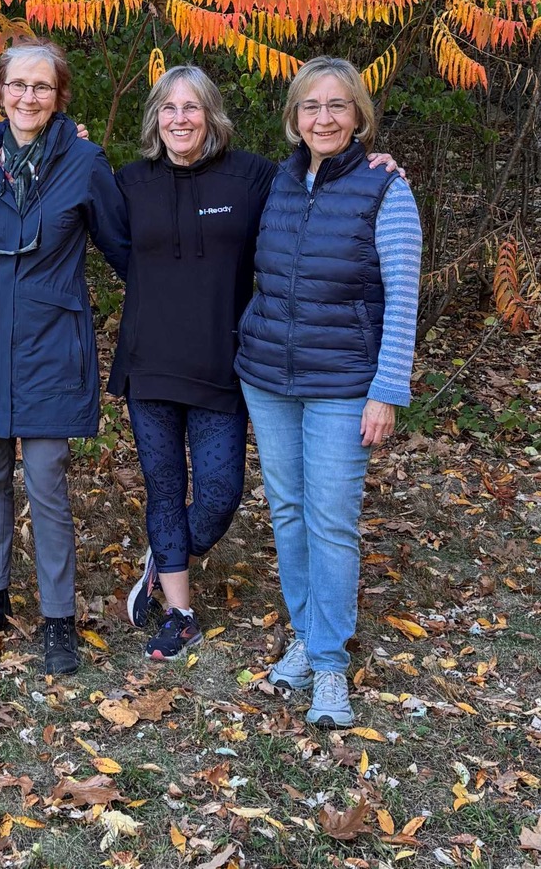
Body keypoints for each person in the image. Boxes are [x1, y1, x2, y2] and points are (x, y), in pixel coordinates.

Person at [235, 56, 421, 729]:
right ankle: (306, 640)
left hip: (345, 382)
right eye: (311, 106)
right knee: (287, 509)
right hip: (269, 377)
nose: (324, 117)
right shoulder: (280, 181)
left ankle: (330, 665)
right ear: (294, 115)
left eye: (337, 105)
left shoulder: (384, 189)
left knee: (331, 518)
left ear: (359, 115)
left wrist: (387, 390)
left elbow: (403, 297)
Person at [0, 38, 130, 676]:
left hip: (53, 343)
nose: (29, 97)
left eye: (42, 87)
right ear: (0, 91)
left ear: (59, 97)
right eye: (18, 85)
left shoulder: (83, 162)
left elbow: (125, 247)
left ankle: (58, 619)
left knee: (47, 482)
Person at [111, 66, 276, 660]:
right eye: (168, 108)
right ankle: (179, 611)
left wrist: (373, 165)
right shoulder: (129, 182)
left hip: (221, 361)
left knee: (218, 492)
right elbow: (109, 243)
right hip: (149, 361)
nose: (180, 118)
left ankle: (166, 552)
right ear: (156, 117)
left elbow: (314, 197)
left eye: (193, 107)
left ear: (212, 115)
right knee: (163, 487)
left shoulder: (253, 176)